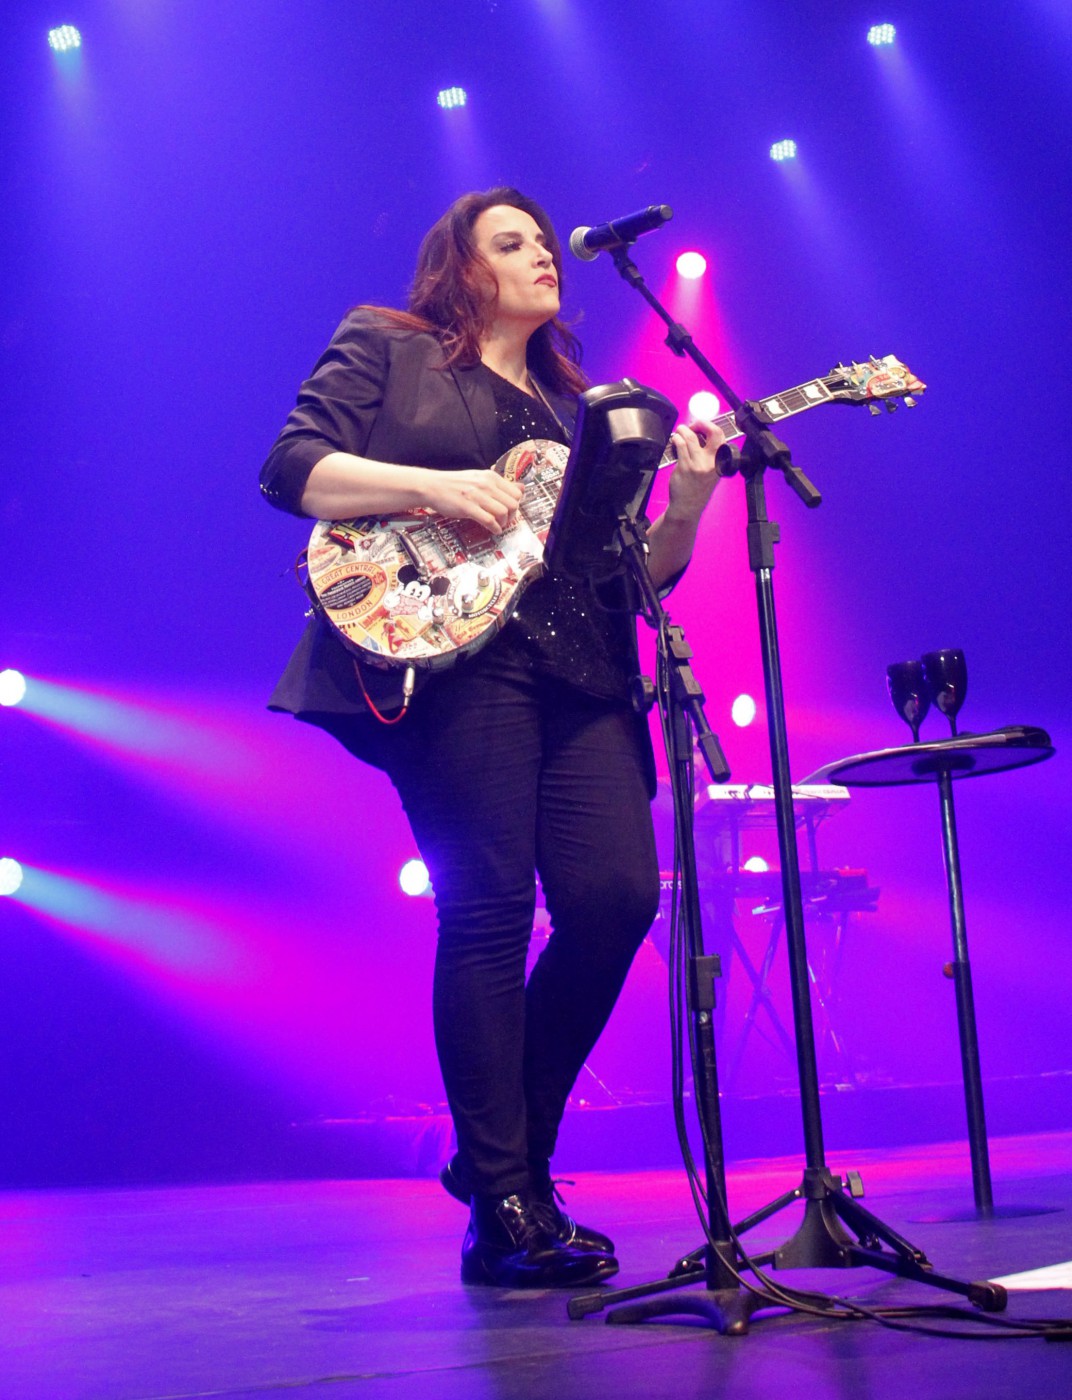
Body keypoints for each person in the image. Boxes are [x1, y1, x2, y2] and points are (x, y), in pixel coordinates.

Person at [260, 188, 724, 1288]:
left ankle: (491, 1154)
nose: (541, 257)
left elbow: (626, 580)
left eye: (541, 241)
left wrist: (690, 506)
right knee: (489, 910)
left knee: (616, 899)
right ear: (462, 269)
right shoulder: (391, 342)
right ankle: (515, 1195)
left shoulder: (576, 407)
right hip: (454, 666)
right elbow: (292, 466)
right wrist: (435, 485)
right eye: (510, 243)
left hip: (582, 674)